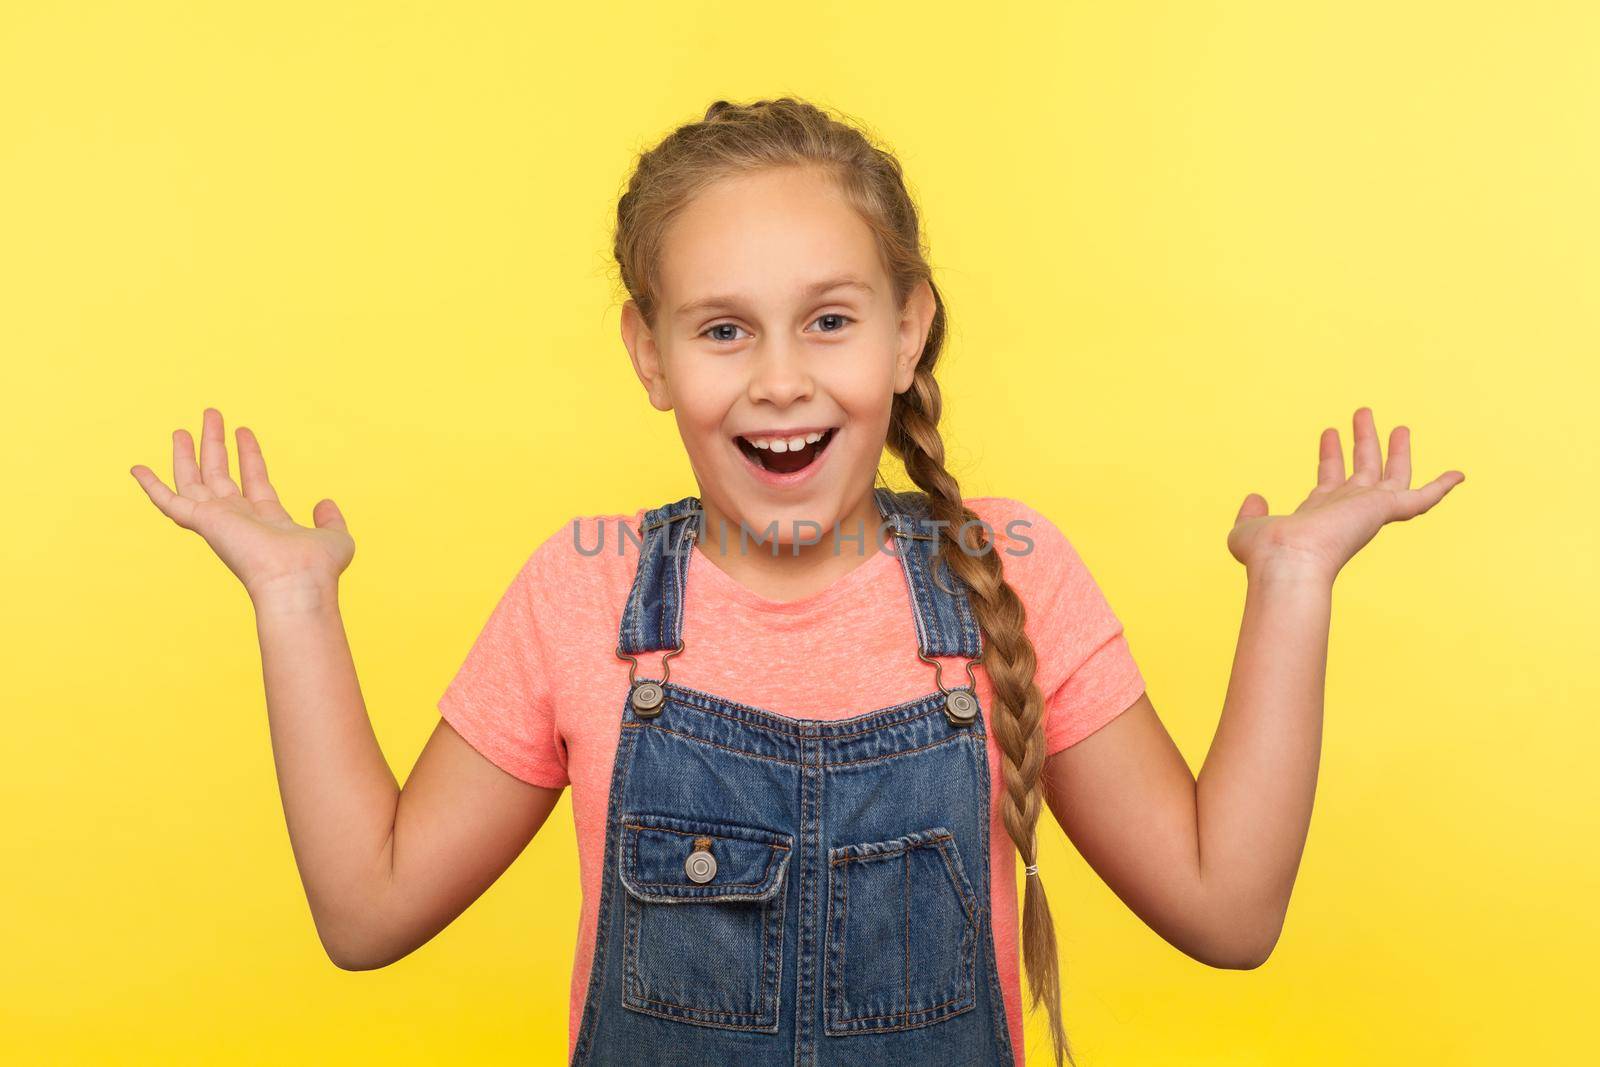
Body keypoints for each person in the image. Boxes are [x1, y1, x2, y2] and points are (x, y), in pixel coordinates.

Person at [129, 97, 1464, 1066]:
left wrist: (1292, 585)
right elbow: (367, 914)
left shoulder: (1012, 574)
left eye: (829, 318)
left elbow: (1228, 912)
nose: (779, 378)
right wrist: (293, 602)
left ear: (909, 332)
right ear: (650, 358)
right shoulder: (582, 597)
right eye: (723, 330)